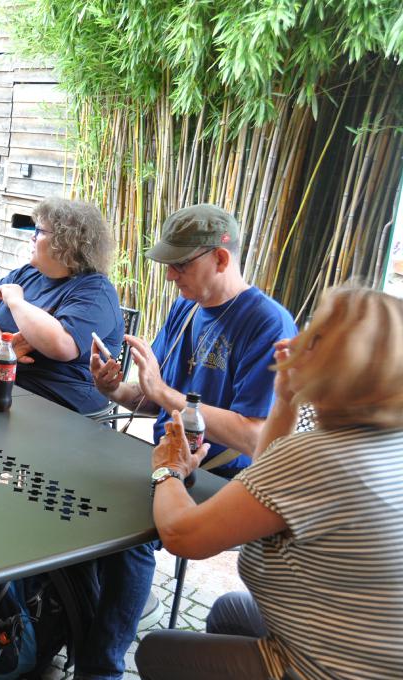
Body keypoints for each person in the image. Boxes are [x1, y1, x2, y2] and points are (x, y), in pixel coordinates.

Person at [135, 286, 403, 680]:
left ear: (343, 365)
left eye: (312, 337)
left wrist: (169, 470)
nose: (291, 342)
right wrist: (286, 397)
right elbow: (267, 475)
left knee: (158, 653)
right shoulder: (383, 441)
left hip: (334, 668)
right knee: (229, 611)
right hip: (377, 649)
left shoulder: (321, 456)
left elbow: (182, 536)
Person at [84, 203, 297, 680]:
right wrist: (114, 389)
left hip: (226, 477)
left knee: (125, 535)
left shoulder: (268, 324)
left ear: (220, 258)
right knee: (81, 494)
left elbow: (255, 436)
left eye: (180, 265)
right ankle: (64, 627)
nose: (170, 276)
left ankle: (101, 668)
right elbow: (151, 394)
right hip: (168, 461)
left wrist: (165, 396)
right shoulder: (186, 308)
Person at [0, 197, 123, 414]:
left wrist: (16, 301)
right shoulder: (26, 274)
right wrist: (4, 347)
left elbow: (61, 345)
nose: (32, 237)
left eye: (39, 231)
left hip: (52, 401)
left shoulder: (96, 291)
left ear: (67, 241)